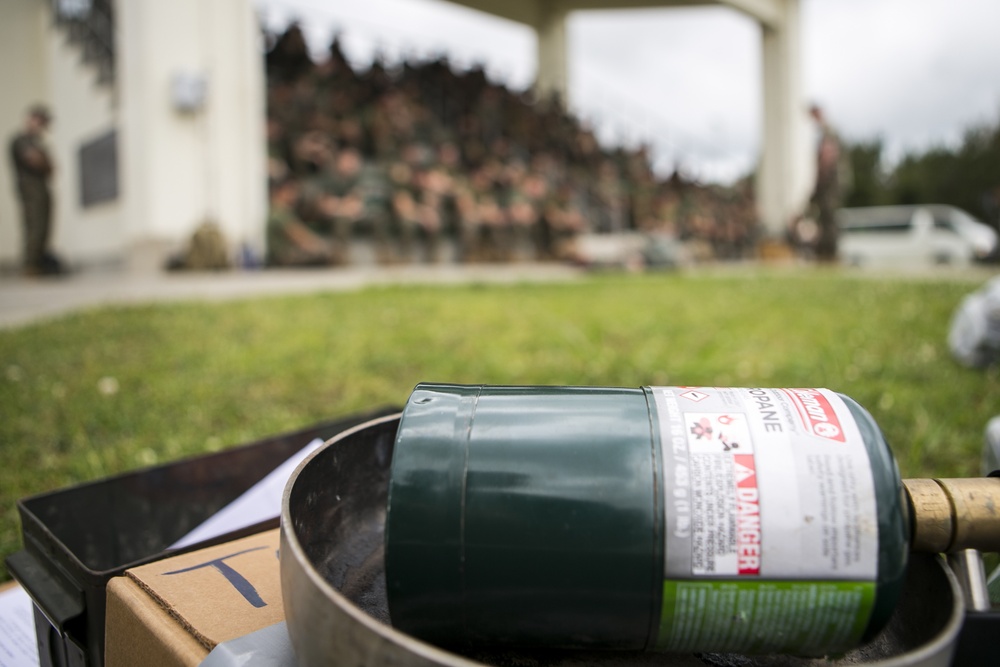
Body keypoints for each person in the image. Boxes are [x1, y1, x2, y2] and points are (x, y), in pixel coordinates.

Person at [9, 104, 59, 276]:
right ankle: (31, 266)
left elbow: (53, 169)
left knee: (44, 227)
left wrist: (45, 162)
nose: (42, 126)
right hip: (30, 191)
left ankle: (39, 264)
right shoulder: (20, 140)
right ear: (31, 119)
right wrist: (44, 161)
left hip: (42, 190)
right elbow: (36, 160)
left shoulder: (39, 143)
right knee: (34, 227)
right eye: (41, 121)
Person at [266, 177, 336, 267]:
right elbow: (300, 238)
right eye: (291, 191)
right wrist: (321, 247)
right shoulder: (279, 214)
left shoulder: (283, 211)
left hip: (286, 255)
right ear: (281, 192)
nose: (295, 196)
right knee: (329, 254)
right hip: (284, 258)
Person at [808, 104, 844, 262]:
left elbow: (828, 156)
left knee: (829, 216)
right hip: (830, 181)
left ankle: (830, 255)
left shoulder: (828, 131)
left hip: (831, 181)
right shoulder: (825, 131)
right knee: (825, 216)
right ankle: (826, 253)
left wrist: (819, 182)